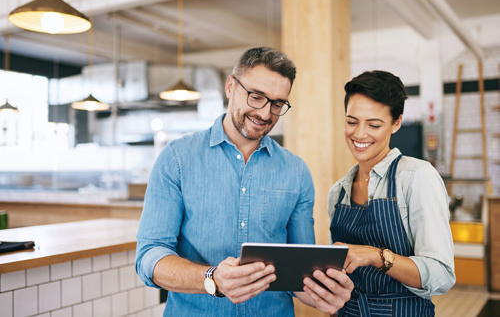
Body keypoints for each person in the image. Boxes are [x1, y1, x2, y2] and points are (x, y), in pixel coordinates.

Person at [136, 47, 353, 316]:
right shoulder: (177, 159)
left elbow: (298, 275)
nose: (265, 113)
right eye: (256, 96)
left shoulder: (296, 172)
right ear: (230, 87)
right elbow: (149, 257)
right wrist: (212, 278)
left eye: (277, 104)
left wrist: (324, 294)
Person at [328, 70, 455, 317]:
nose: (359, 134)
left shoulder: (416, 177)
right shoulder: (337, 192)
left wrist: (376, 256)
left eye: (374, 124)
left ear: (396, 123)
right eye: (352, 121)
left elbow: (441, 275)